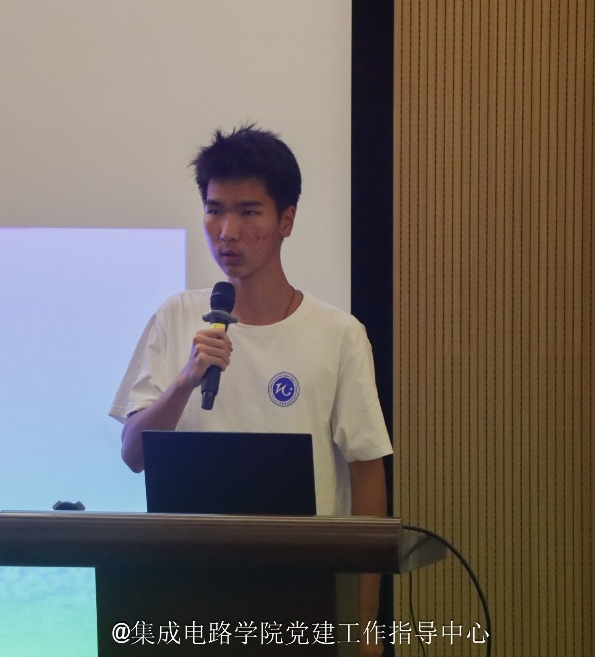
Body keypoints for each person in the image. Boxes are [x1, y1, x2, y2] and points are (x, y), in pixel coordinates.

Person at [109, 124, 392, 656]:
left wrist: (364, 619)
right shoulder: (176, 316)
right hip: (187, 591)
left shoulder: (338, 334)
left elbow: (366, 469)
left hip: (305, 593)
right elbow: (132, 454)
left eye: (248, 212)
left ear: (286, 220)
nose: (227, 232)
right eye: (215, 210)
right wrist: (185, 380)